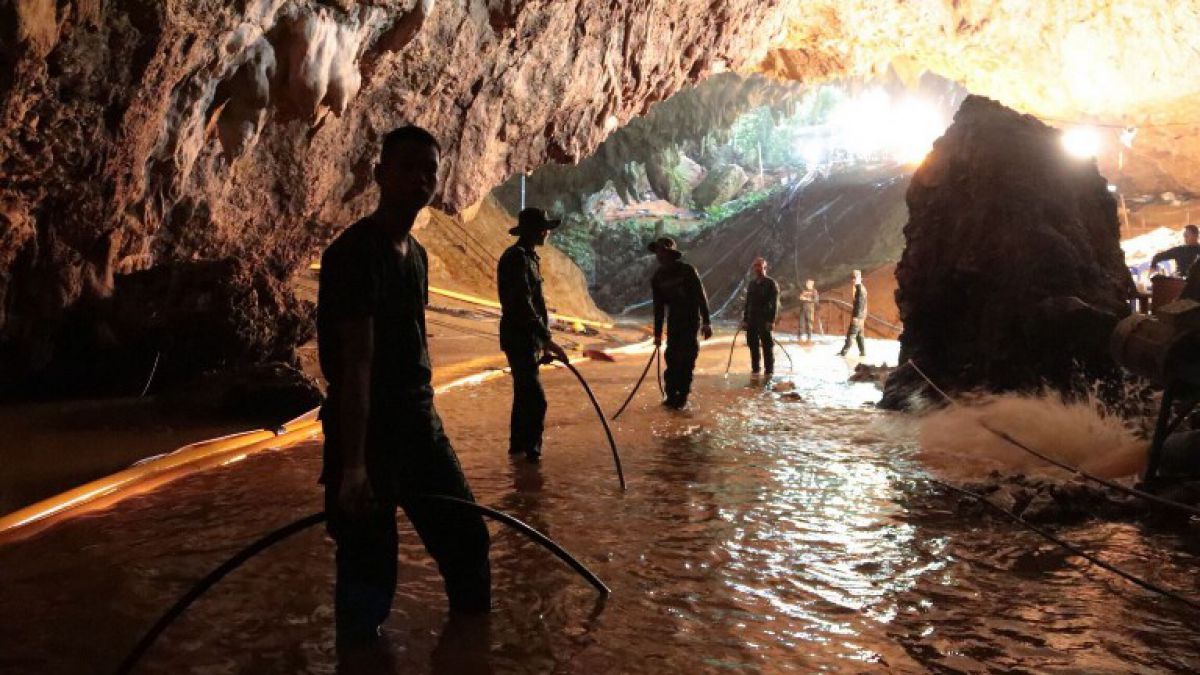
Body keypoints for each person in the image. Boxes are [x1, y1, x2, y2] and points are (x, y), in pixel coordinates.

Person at [317, 126, 491, 648]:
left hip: (419, 423)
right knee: (370, 573)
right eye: (407, 167)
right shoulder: (354, 253)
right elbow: (356, 364)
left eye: (430, 171)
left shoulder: (415, 254)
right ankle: (360, 657)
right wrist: (352, 468)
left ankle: (472, 654)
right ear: (379, 176)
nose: (420, 179)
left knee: (467, 540)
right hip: (368, 431)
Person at [497, 207, 569, 462]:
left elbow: (532, 304)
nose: (547, 232)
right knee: (537, 400)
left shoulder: (528, 257)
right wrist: (548, 339)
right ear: (535, 231)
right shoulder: (516, 258)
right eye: (544, 228)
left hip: (528, 338)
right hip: (519, 338)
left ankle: (517, 451)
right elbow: (522, 305)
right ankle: (531, 457)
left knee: (524, 394)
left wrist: (543, 341)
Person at [650, 237, 713, 408]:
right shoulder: (658, 277)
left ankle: (683, 396)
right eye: (657, 252)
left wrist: (707, 322)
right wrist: (657, 334)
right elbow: (658, 308)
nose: (659, 255)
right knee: (671, 358)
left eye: (662, 251)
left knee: (687, 358)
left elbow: (701, 297)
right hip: (674, 321)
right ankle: (671, 396)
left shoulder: (687, 271)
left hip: (691, 320)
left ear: (670, 253)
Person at [741, 257, 780, 376]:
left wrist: (771, 321)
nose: (757, 268)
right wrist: (745, 320)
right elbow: (747, 303)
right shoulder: (752, 284)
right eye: (755, 266)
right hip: (752, 319)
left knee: (767, 346)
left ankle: (769, 371)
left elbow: (775, 304)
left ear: (765, 267)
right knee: (752, 345)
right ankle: (755, 370)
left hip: (764, 320)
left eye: (759, 265)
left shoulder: (771, 283)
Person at [837, 269, 867, 357]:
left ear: (860, 278)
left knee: (851, 334)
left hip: (858, 317)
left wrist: (856, 317)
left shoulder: (860, 289)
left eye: (855, 278)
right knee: (859, 336)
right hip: (861, 317)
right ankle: (863, 352)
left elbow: (860, 303)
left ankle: (843, 353)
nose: (853, 280)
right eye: (852, 278)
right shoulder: (861, 288)